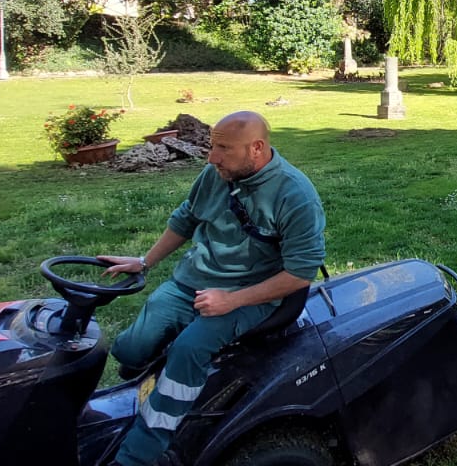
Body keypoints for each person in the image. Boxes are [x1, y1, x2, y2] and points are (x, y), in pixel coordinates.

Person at [98, 111, 326, 466]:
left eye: (223, 148)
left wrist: (231, 300)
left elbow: (300, 273)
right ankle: (153, 387)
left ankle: (138, 455)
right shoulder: (216, 174)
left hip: (248, 294)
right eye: (211, 146)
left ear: (256, 148)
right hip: (192, 281)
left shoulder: (295, 195)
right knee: (130, 348)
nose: (211, 157)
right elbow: (186, 218)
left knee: (188, 350)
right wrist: (144, 261)